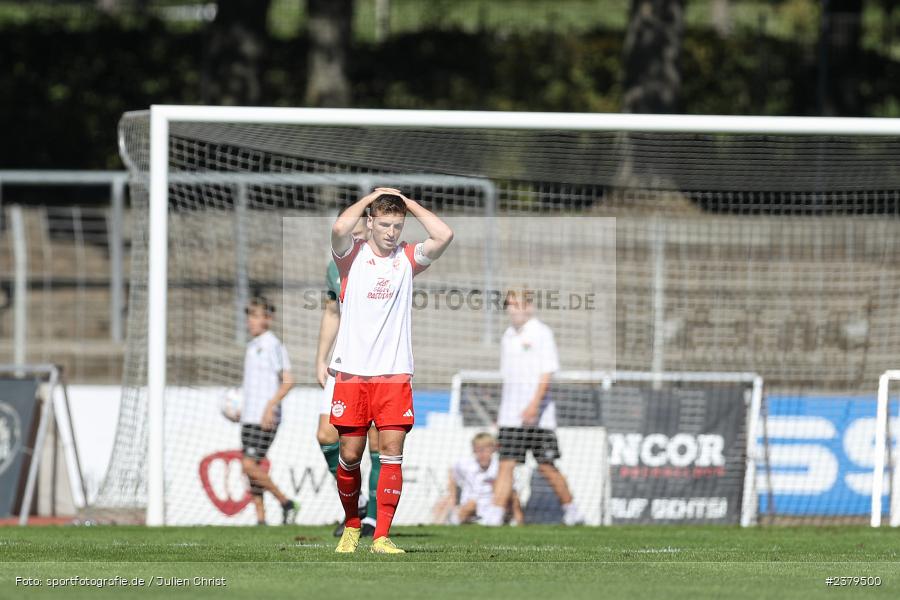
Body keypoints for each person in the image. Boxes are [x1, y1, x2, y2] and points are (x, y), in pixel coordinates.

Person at [329, 187, 453, 554]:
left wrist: (407, 202)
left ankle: (381, 535)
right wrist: (372, 197)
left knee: (391, 451)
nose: (391, 232)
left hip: (395, 374)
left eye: (397, 226)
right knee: (350, 454)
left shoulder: (408, 259)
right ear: (370, 222)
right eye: (384, 224)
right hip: (351, 372)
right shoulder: (350, 257)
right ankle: (353, 525)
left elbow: (444, 235)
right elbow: (339, 226)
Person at [482, 290, 584, 526]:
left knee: (547, 466)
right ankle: (495, 514)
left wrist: (534, 406)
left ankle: (572, 510)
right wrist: (503, 414)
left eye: (517, 304)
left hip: (538, 417)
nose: (513, 310)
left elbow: (547, 372)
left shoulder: (542, 332)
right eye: (510, 305)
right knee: (506, 464)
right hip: (511, 417)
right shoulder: (508, 335)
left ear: (529, 306)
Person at [315, 217, 380, 538]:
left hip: (381, 363)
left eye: (358, 230)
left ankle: (372, 520)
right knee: (327, 435)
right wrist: (320, 358)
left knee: (377, 440)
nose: (353, 235)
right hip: (343, 364)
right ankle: (360, 502)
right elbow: (331, 312)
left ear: (369, 227)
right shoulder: (335, 266)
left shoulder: (384, 260)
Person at [239, 296, 299, 525]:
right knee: (250, 468)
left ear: (268, 319)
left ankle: (286, 502)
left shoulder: (272, 344)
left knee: (249, 464)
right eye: (249, 316)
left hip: (265, 418)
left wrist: (270, 406)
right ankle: (261, 519)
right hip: (249, 417)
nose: (250, 321)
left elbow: (288, 381)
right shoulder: (252, 346)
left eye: (255, 316)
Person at [433, 432, 523, 526]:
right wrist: (452, 496)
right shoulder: (465, 465)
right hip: (472, 502)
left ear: (493, 449)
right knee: (464, 505)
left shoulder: (500, 466)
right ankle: (454, 521)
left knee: (514, 498)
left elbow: (509, 486)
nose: (482, 454)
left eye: (485, 449)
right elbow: (452, 473)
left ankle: (520, 526)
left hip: (494, 503)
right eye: (478, 450)